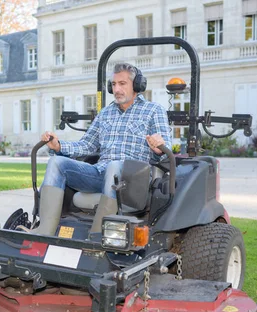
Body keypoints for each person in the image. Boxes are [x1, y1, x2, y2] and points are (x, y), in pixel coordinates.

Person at [35, 62, 171, 236]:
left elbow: (165, 149)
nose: (117, 89)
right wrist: (58, 146)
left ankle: (98, 235)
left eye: (122, 84)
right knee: (56, 162)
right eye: (114, 84)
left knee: (114, 166)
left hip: (133, 180)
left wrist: (159, 147)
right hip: (100, 173)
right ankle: (44, 232)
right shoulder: (105, 113)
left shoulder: (153, 110)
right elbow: (86, 145)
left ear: (137, 85)